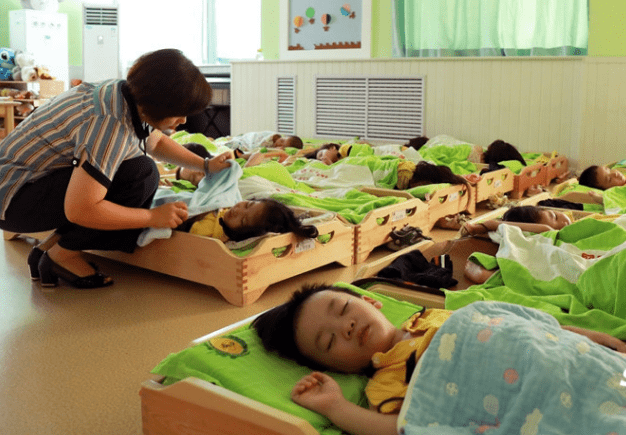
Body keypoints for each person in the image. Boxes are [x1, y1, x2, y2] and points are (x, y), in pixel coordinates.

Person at [252, 285, 626, 435]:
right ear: (338, 368)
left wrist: (593, 338)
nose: (346, 327)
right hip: (539, 399)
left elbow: (531, 328)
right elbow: (407, 425)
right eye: (329, 341)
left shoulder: (437, 315)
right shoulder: (385, 381)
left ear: (371, 302)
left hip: (576, 361)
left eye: (343, 309)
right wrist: (336, 407)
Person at [0, 48, 233, 289]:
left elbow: (157, 141)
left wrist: (205, 165)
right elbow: (81, 210)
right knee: (140, 175)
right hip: (12, 201)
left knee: (140, 170)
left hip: (16, 187)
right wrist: (153, 216)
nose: (183, 121)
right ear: (159, 106)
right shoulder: (109, 124)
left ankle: (49, 250)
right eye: (179, 114)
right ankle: (63, 256)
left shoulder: (124, 93)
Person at [182, 198, 319, 242]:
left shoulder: (210, 232)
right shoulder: (226, 206)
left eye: (243, 220)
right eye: (248, 205)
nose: (238, 211)